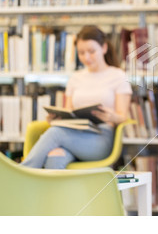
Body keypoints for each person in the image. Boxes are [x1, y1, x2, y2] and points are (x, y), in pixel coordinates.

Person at [21, 26, 132, 169]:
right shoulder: (75, 78)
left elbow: (124, 117)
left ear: (104, 48)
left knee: (55, 133)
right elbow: (69, 111)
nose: (86, 57)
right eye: (81, 53)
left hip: (101, 138)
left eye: (91, 52)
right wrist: (56, 119)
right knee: (55, 157)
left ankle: (21, 173)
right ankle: (54, 192)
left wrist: (111, 116)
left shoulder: (118, 76)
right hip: (74, 134)